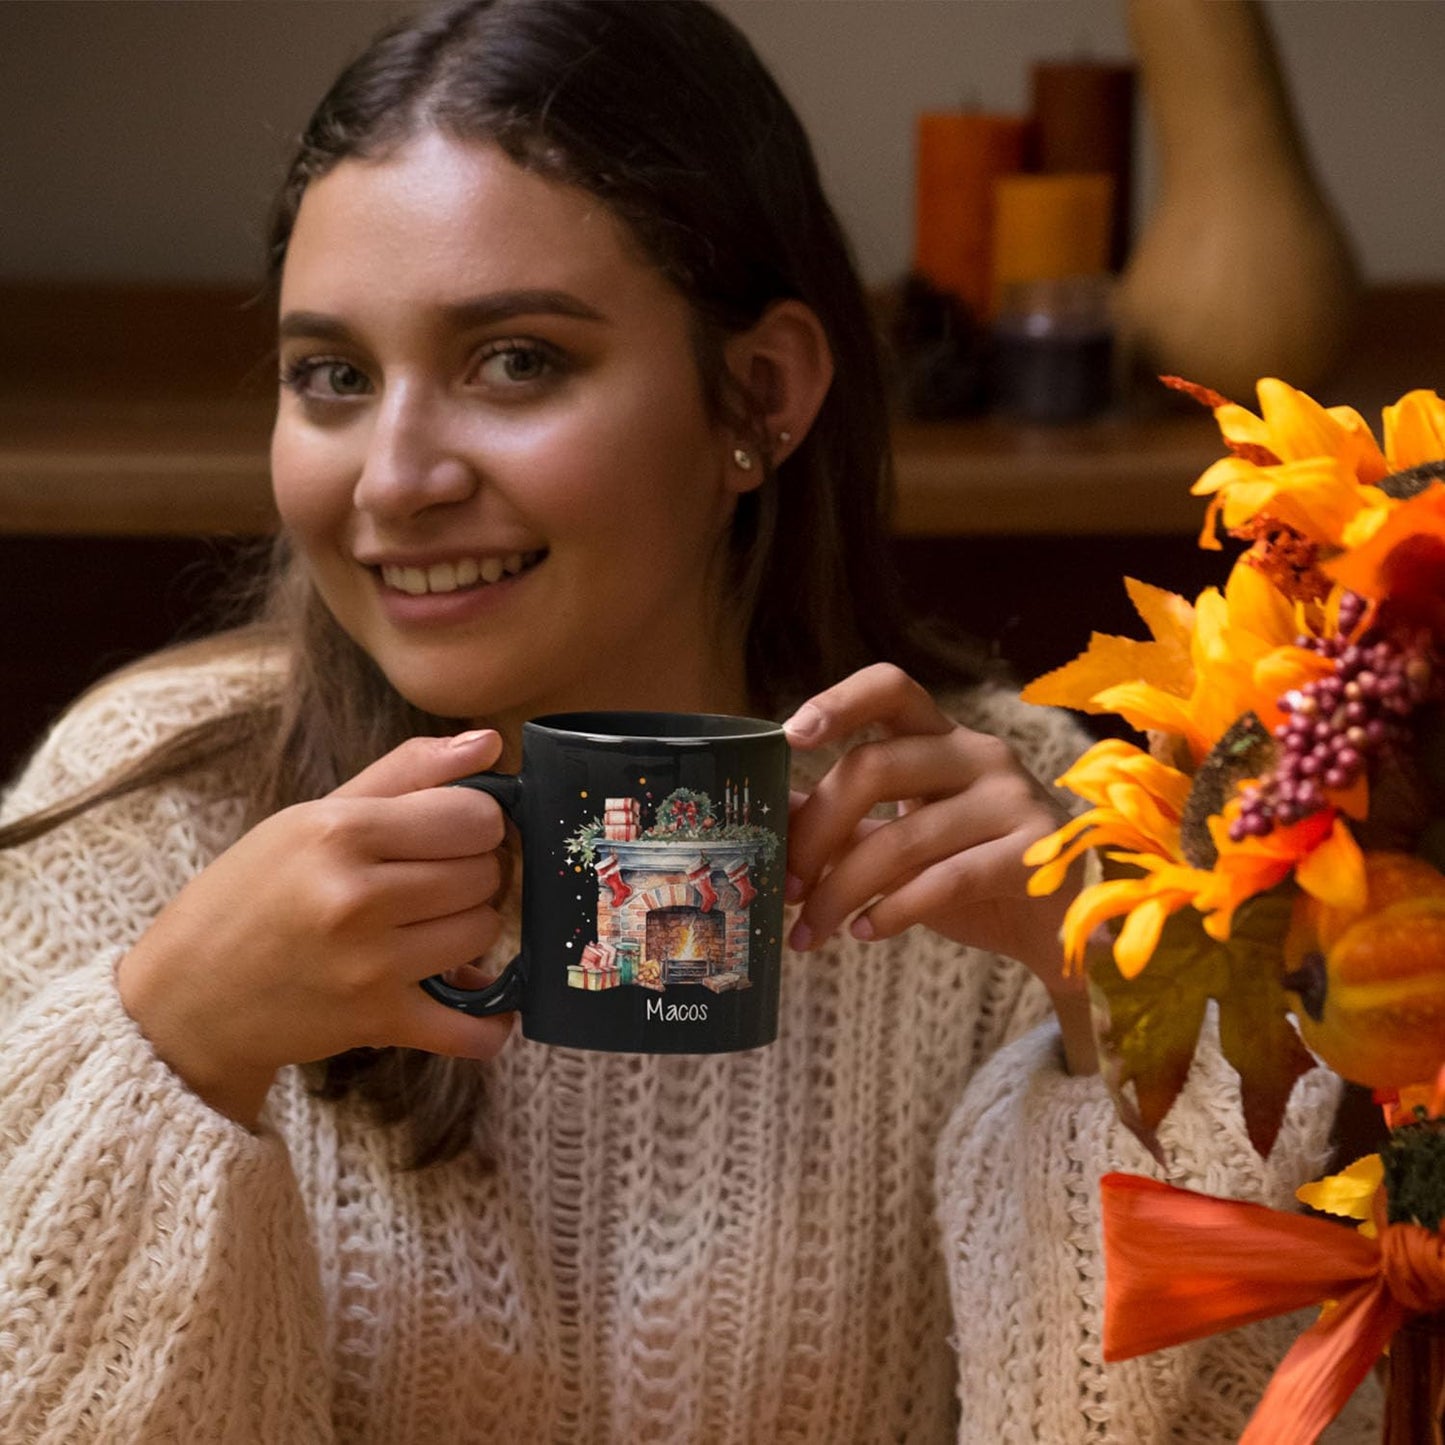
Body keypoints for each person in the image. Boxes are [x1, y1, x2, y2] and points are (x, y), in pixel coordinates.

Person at [0, 2, 1378, 1440]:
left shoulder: (1050, 849)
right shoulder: (134, 827)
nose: (393, 477)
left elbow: (1239, 1409)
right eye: (332, 376)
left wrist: (1121, 1029)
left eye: (514, 360)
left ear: (760, 394)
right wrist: (171, 1044)